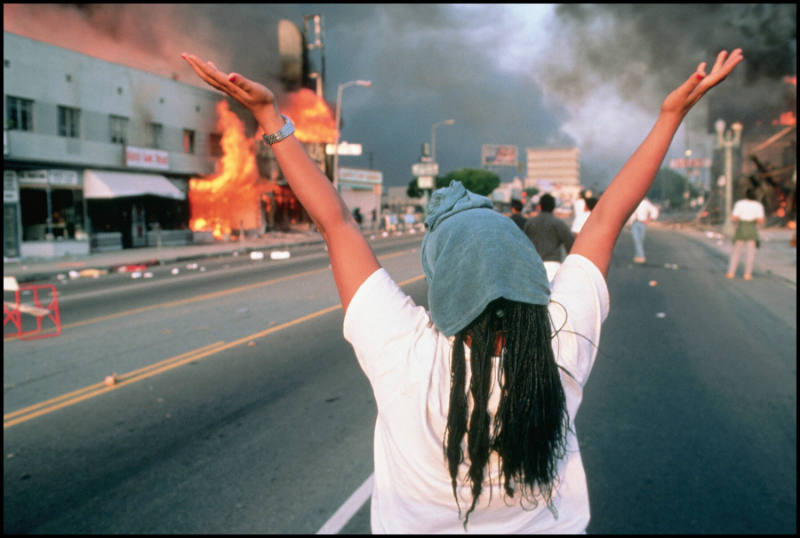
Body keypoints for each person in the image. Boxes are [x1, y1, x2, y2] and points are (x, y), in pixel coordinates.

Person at [182, 47, 742, 534]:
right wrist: (671, 116)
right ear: (530, 275)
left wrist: (268, 118)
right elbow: (608, 218)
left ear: (443, 285)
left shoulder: (405, 351)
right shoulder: (561, 342)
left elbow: (336, 224)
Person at [523, 193, 575, 282]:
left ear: (540, 206)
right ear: (553, 206)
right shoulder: (558, 224)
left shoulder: (530, 223)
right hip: (553, 265)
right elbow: (570, 245)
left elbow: (523, 244)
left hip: (534, 265)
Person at [726, 188, 765, 280]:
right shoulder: (758, 205)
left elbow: (734, 218)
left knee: (736, 252)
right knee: (750, 254)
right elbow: (760, 220)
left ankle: (731, 272)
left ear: (745, 195)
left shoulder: (739, 204)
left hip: (741, 229)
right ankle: (747, 274)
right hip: (752, 230)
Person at [628, 197, 659, 263]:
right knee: (636, 239)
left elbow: (654, 210)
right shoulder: (633, 202)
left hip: (642, 223)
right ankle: (641, 256)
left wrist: (649, 219)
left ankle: (638, 256)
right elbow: (631, 214)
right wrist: (630, 223)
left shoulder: (646, 203)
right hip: (634, 223)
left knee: (640, 240)